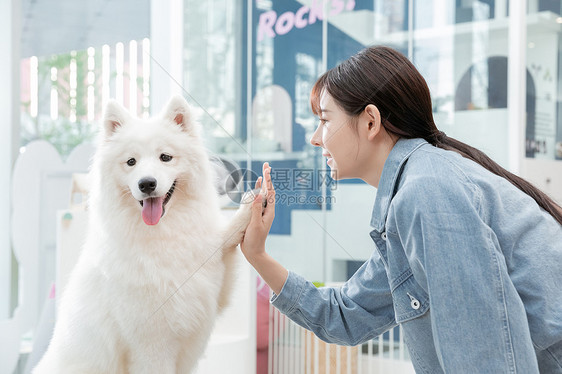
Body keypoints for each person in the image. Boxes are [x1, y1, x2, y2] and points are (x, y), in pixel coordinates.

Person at [240, 46, 562, 373]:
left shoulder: (427, 192)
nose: (314, 138)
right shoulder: (416, 190)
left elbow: (485, 361)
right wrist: (257, 254)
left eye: (324, 120)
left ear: (370, 122)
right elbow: (345, 315)